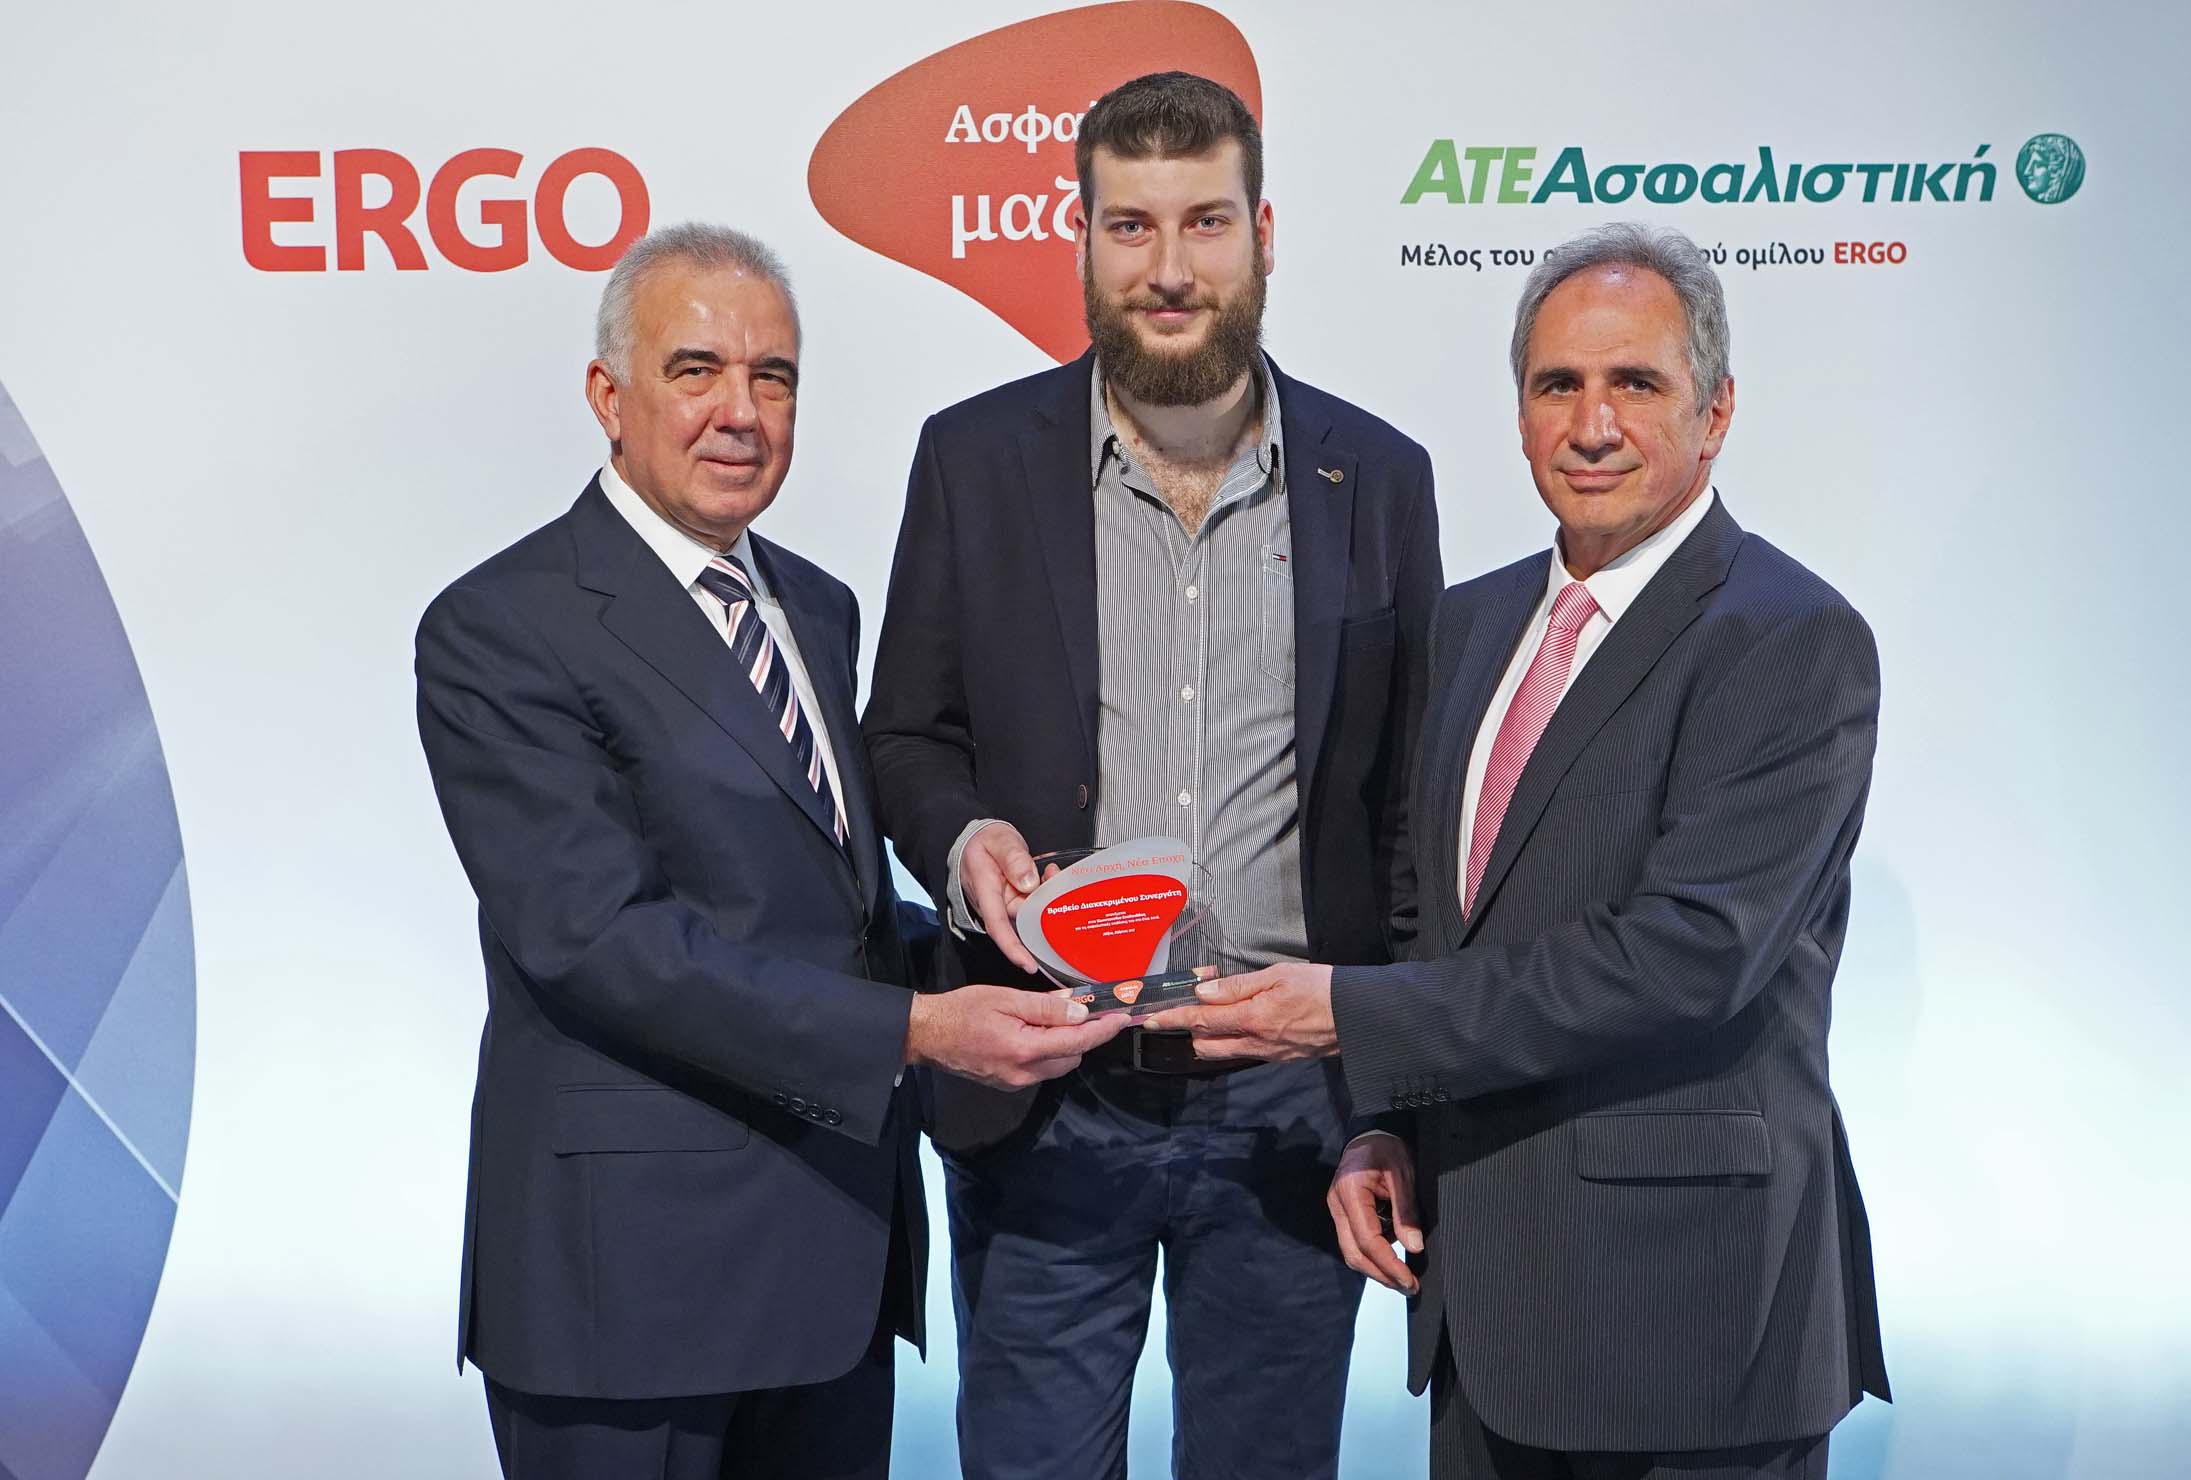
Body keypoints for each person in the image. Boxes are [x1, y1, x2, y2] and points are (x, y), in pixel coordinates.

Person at [1151, 222, 1891, 1479]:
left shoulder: (1788, 637)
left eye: (1635, 383)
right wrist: (1386, 1123)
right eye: (1559, 384)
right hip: (1481, 1307)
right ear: (1519, 412)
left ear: (1714, 412)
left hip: (1690, 1325)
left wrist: (1348, 1017)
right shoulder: (1470, 622)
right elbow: (1427, 912)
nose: (1591, 425)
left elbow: (1685, 956)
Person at [414, 222, 1126, 1480]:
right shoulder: (501, 626)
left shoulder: (816, 605)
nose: (740, 412)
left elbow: (816, 913)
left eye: (773, 376)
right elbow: (602, 943)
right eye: (695, 370)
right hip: (628, 1295)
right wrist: (916, 1030)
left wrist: (1006, 933)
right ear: (609, 398)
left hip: (829, 1262)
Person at [862, 72, 1443, 1480]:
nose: (1168, 268)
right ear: (1081, 238)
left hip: (1287, 1102)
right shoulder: (972, 460)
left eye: (1203, 223)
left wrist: (1386, 1096)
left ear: (1262, 234)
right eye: (1130, 226)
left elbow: (1408, 813)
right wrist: (967, 842)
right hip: (1046, 1086)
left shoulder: (1378, 475)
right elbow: (906, 735)